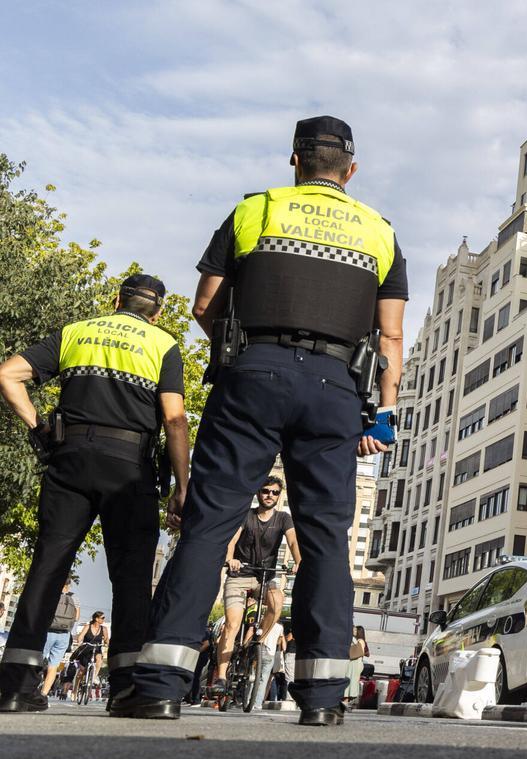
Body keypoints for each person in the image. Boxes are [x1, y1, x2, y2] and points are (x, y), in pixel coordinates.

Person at [115, 116, 408, 727]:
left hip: (254, 371)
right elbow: (391, 336)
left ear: (295, 161)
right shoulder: (380, 231)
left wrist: (241, 350)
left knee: (210, 520)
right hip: (336, 387)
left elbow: (204, 304)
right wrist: (381, 413)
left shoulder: (257, 210)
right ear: (350, 172)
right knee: (327, 535)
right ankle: (324, 697)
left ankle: (162, 683)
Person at [0, 274, 189, 713]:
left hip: (71, 458)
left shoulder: (76, 333)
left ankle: (14, 685)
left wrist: (40, 429)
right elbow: (175, 420)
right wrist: (182, 486)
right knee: (131, 575)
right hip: (129, 466)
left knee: (49, 564)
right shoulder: (162, 345)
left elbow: (9, 375)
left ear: (115, 300)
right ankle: (125, 688)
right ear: (157, 312)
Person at [210, 476, 299, 695]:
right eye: (265, 491)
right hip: (239, 575)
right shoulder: (246, 515)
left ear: (279, 496)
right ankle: (221, 677)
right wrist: (231, 558)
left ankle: (256, 643)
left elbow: (294, 541)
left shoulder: (283, 518)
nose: (269, 495)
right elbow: (231, 540)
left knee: (277, 602)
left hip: (265, 577)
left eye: (275, 492)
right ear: (258, 493)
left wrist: (299, 561)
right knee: (232, 624)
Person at [40, 579, 79, 700]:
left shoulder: (51, 594)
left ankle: (29, 690)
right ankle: (43, 694)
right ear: (69, 586)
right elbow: (76, 618)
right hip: (64, 635)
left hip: (48, 632)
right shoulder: (74, 598)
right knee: (53, 666)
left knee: (37, 662)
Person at [71, 612, 109, 701]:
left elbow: (107, 639)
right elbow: (80, 637)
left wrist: (107, 643)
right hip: (87, 649)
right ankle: (75, 690)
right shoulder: (88, 626)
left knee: (99, 659)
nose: (103, 619)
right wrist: (79, 641)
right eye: (102, 618)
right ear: (96, 618)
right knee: (81, 673)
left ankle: (94, 676)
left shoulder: (104, 629)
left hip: (97, 648)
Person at [345, 625, 368, 705]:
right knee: (352, 680)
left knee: (352, 680)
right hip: (355, 663)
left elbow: (359, 652)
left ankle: (347, 699)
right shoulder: (357, 640)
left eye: (356, 630)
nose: (355, 632)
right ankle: (347, 699)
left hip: (355, 663)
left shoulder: (359, 640)